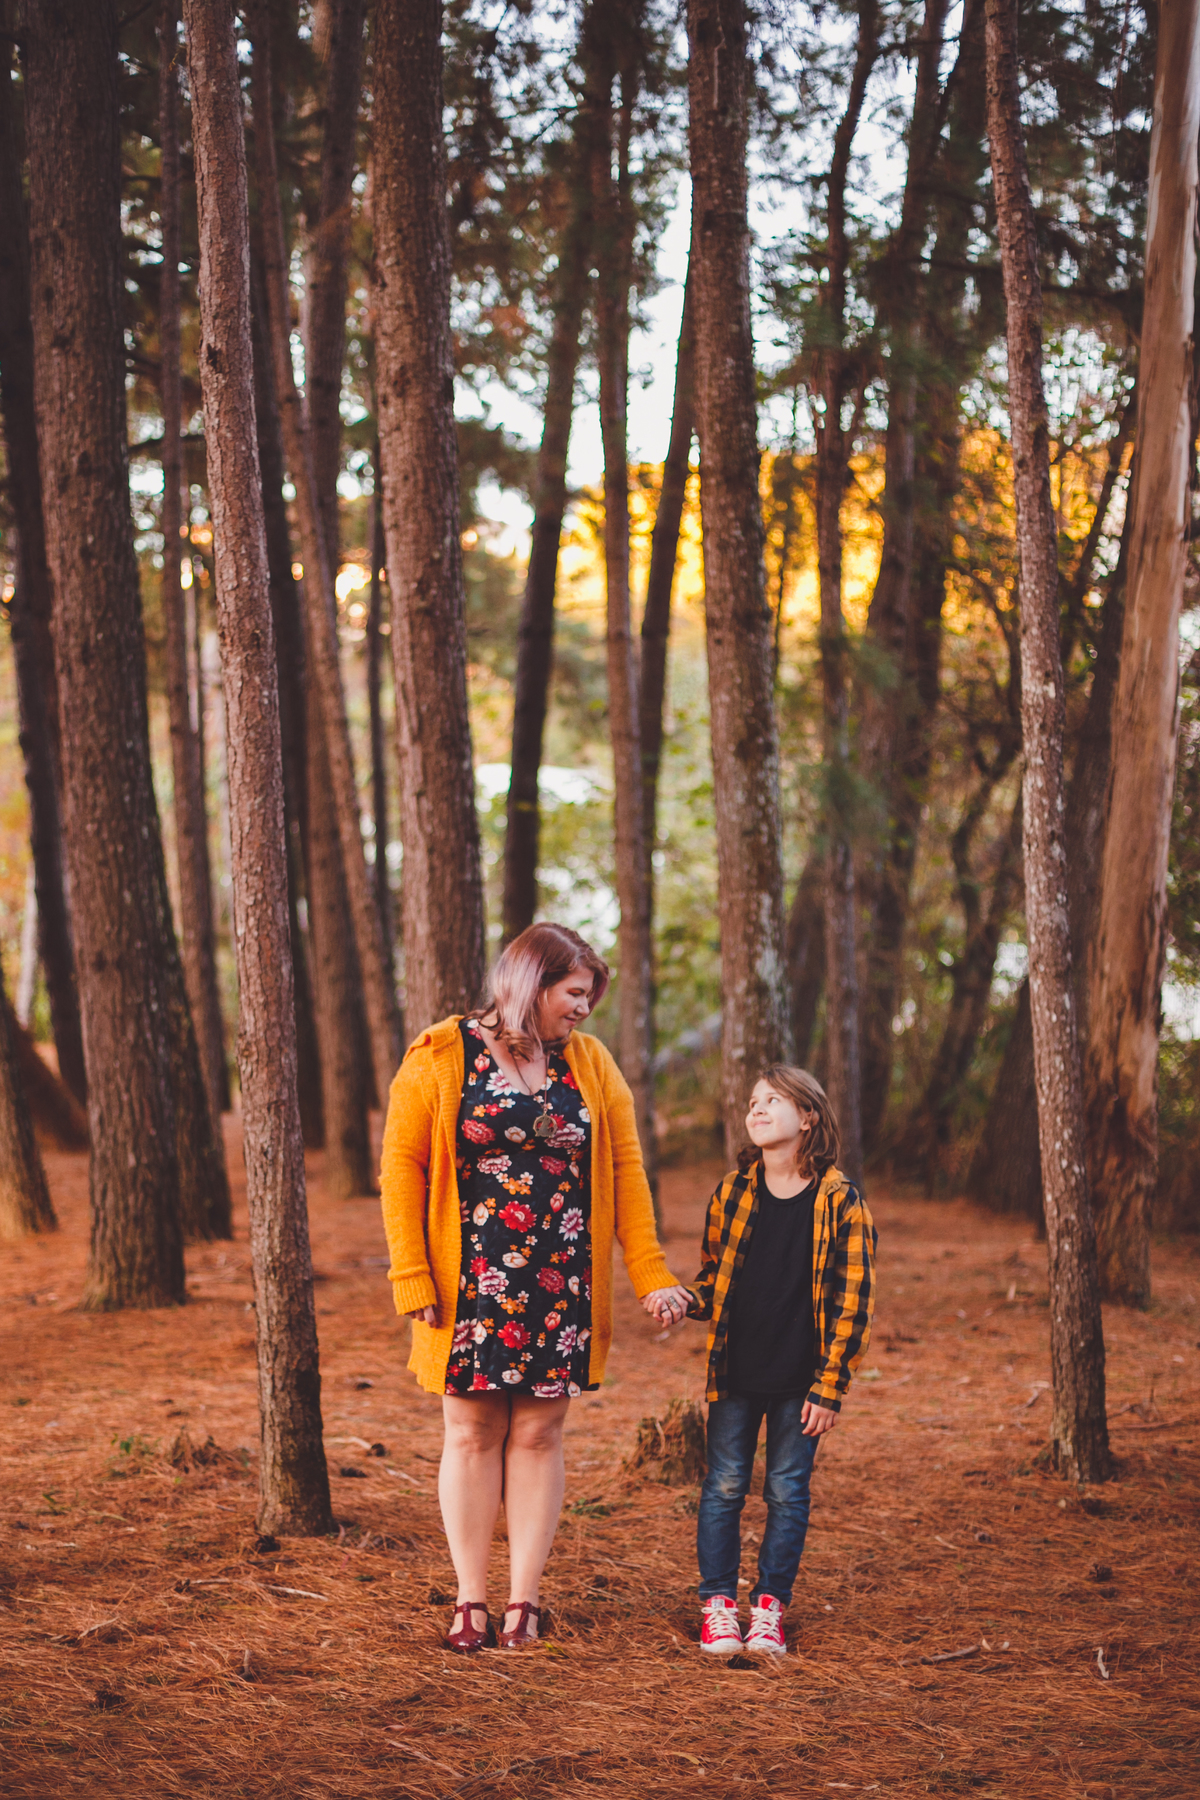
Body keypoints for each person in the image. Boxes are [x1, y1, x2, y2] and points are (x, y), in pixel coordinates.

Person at [380, 923, 691, 1653]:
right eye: (575, 994)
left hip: (562, 1279)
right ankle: (471, 1599)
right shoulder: (440, 1053)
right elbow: (402, 1168)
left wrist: (649, 1272)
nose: (584, 1010)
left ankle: (524, 1601)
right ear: (532, 983)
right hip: (472, 1282)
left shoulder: (588, 1063)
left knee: (540, 1432)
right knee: (470, 1431)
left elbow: (626, 1169)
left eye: (590, 997)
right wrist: (411, 1273)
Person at [685, 1065, 876, 1656]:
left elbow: (854, 1301)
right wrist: (681, 1300)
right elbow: (715, 1278)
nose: (758, 1109)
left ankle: (769, 1608)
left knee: (788, 1492)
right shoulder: (734, 1191)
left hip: (801, 1381)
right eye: (752, 1101)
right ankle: (718, 1605)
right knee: (723, 1488)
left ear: (809, 1116)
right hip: (735, 1373)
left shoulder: (841, 1201)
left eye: (774, 1100)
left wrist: (830, 1386)